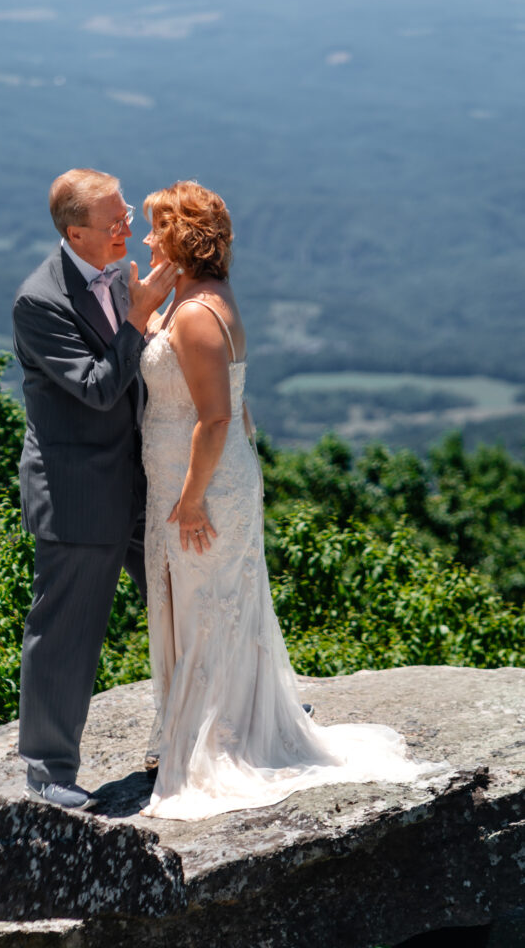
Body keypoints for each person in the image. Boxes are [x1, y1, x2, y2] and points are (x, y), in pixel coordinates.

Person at [138, 181, 446, 821]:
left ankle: (215, 740)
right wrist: (148, 303)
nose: (145, 239)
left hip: (201, 489)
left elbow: (217, 417)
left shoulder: (196, 313)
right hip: (188, 483)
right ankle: (190, 727)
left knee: (206, 606)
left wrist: (193, 499)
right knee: (193, 603)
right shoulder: (192, 298)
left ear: (179, 239)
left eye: (155, 228)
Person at [12, 168, 177, 811]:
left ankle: (218, 723)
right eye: (116, 222)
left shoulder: (118, 272)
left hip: (143, 478)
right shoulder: (39, 302)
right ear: (76, 233)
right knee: (66, 634)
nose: (129, 228)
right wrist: (138, 319)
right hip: (79, 494)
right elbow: (100, 389)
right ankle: (49, 773)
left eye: (127, 212)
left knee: (184, 602)